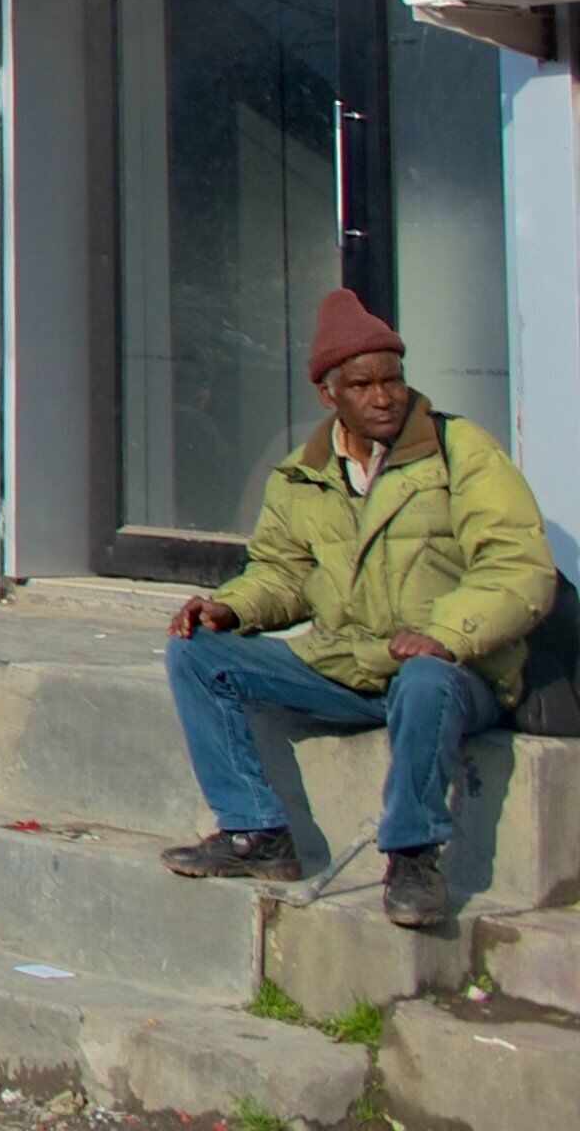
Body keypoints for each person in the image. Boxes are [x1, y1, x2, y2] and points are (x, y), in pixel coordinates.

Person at [159, 290, 554, 930]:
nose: (384, 397)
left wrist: (445, 635)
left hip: (459, 673)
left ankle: (412, 856)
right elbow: (282, 574)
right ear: (329, 395)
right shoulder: (302, 475)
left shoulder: (461, 453)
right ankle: (256, 832)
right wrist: (228, 609)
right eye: (364, 385)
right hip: (349, 667)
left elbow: (518, 568)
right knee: (196, 653)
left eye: (393, 380)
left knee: (424, 680)